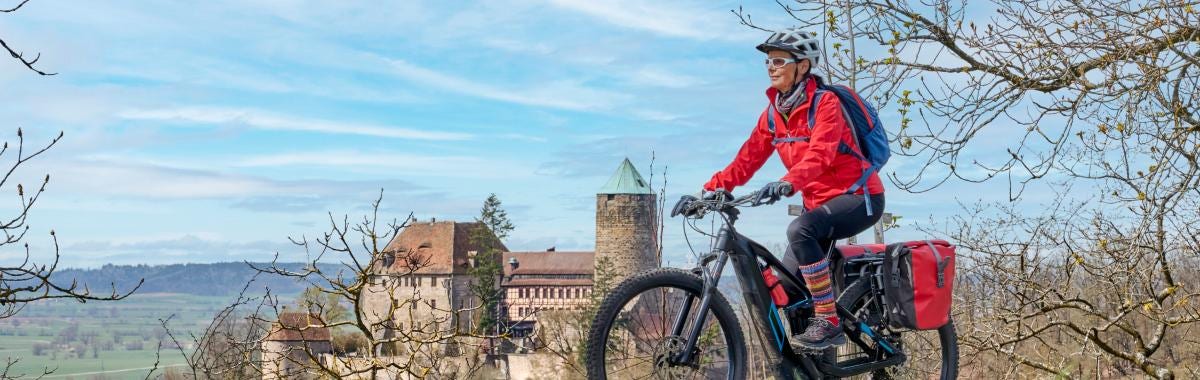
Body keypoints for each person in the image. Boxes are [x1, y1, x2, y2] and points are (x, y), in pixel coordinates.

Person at [701, 28, 885, 350]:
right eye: (768, 61)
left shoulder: (825, 104)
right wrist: (713, 188)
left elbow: (821, 154)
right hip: (819, 206)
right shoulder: (774, 115)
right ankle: (817, 360)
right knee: (788, 288)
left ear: (802, 66)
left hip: (859, 197)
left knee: (800, 230)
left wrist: (787, 182)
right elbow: (748, 157)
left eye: (779, 60)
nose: (771, 67)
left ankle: (828, 321)